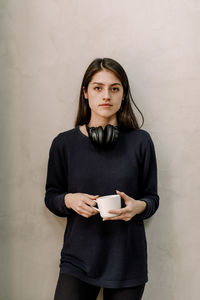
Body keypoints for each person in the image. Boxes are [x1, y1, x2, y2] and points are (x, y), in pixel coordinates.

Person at [44, 57, 159, 300]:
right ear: (86, 93)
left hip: (128, 262)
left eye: (114, 88)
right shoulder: (64, 144)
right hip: (78, 261)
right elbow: (51, 196)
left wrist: (139, 207)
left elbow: (152, 199)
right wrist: (69, 200)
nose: (106, 95)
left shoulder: (141, 142)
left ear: (123, 95)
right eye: (98, 88)